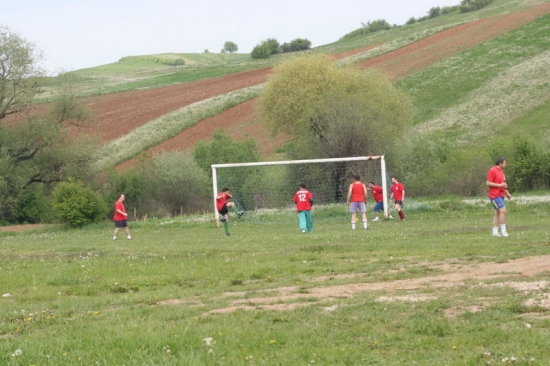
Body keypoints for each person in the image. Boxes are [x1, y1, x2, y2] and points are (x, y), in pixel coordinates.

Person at [486, 157, 512, 237]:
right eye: (504, 163)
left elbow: (503, 184)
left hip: (501, 195)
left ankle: (495, 232)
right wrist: (499, 185)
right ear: (500, 163)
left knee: (497, 213)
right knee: (503, 211)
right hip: (494, 195)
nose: (505, 165)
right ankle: (503, 231)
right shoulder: (493, 170)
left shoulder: (501, 172)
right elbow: (488, 183)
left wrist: (507, 193)